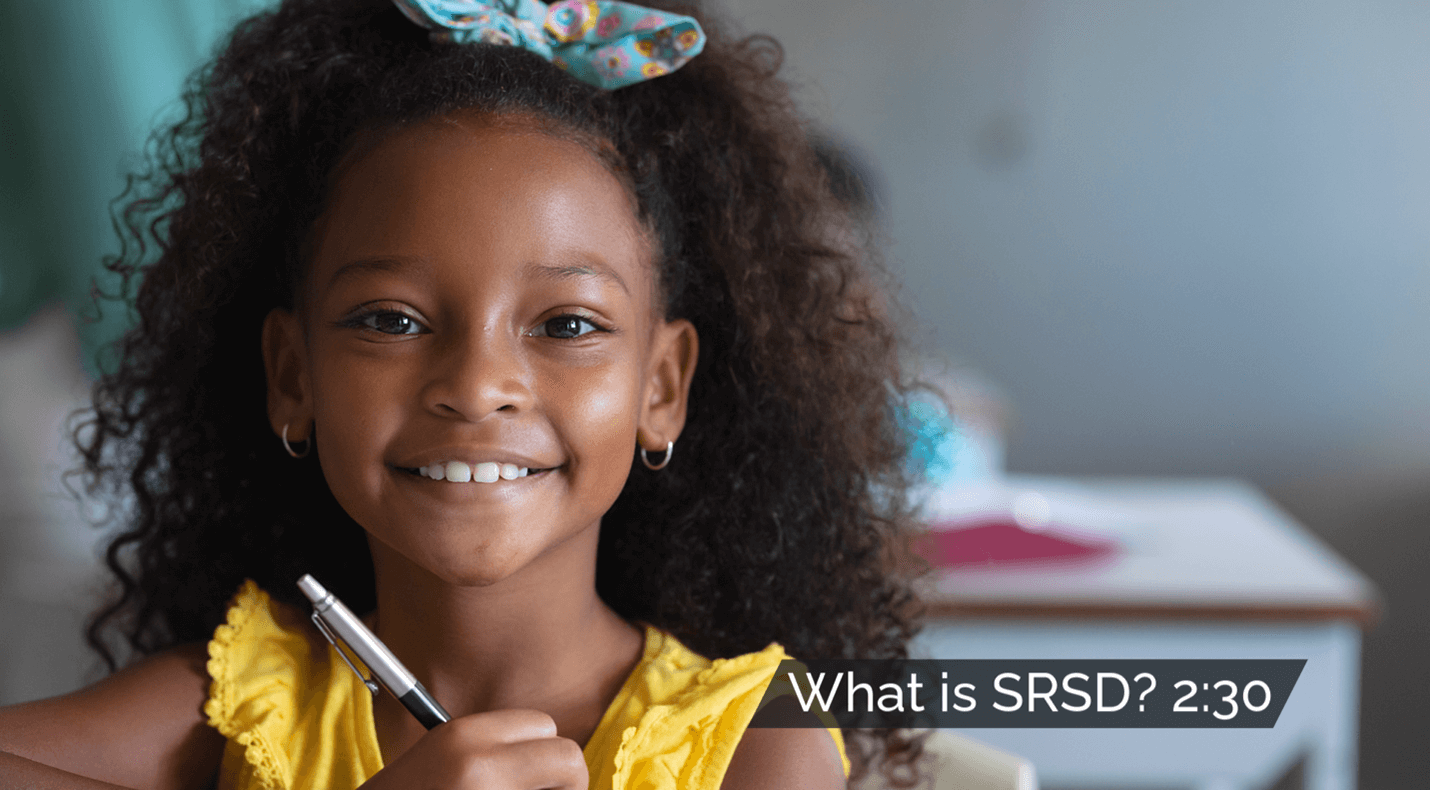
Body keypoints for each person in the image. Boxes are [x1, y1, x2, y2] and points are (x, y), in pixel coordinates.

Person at [0, 0, 922, 787]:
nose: (478, 387)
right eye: (391, 321)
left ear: (663, 386)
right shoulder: (243, 695)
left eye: (566, 325)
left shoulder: (760, 736)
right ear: (292, 376)